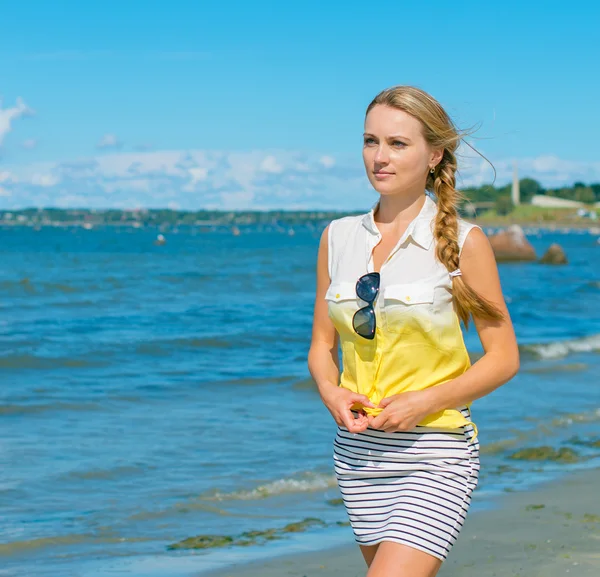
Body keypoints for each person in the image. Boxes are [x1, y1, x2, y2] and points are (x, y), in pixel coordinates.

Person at [307, 85, 519, 577]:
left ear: (434, 154)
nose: (379, 157)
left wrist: (424, 401)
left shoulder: (466, 242)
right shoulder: (336, 237)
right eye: (370, 141)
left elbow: (504, 357)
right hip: (358, 456)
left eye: (398, 144)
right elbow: (322, 346)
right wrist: (330, 392)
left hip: (435, 452)